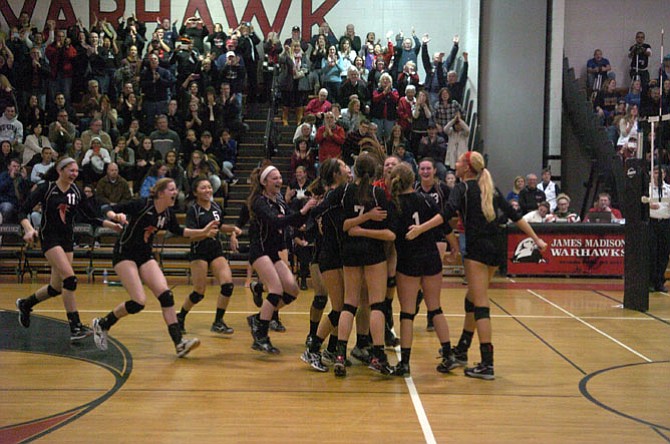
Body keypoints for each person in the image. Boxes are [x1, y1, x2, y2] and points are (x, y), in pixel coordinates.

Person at [407, 151, 547, 380]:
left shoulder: (462, 189)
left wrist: (421, 228)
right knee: (472, 298)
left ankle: (487, 363)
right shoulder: (489, 188)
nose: (456, 164)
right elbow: (515, 215)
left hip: (477, 250)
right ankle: (462, 349)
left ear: (467, 168)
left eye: (460, 162)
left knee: (480, 304)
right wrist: (537, 239)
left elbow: (444, 215)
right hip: (495, 248)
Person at [93, 178, 219, 357]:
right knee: (138, 302)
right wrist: (115, 216)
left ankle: (179, 344)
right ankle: (103, 323)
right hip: (125, 253)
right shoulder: (142, 204)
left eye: (175, 189)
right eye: (171, 189)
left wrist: (204, 232)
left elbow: (180, 231)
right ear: (161, 193)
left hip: (145, 255)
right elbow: (106, 207)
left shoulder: (168, 213)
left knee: (166, 296)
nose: (175, 193)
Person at [16, 157, 122, 341]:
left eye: (76, 171)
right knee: (70, 279)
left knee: (56, 287)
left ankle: (26, 304)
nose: (74, 174)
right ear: (60, 170)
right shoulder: (46, 188)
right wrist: (29, 228)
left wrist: (111, 225)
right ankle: (75, 327)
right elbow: (22, 211)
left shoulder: (76, 191)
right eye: (71, 170)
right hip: (49, 238)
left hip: (67, 240)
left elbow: (90, 216)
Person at [388, 162, 460, 376]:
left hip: (408, 260)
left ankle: (405, 363)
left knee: (407, 313)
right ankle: (448, 354)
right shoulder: (427, 200)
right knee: (435, 308)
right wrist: (454, 247)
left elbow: (390, 237)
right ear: (413, 179)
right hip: (430, 259)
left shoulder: (395, 205)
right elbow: (445, 226)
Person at [327, 153, 396, 376]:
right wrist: (367, 218)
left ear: (355, 170)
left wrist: (358, 224)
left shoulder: (344, 191)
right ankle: (378, 355)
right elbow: (389, 233)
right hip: (373, 251)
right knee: (377, 304)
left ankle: (340, 354)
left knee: (349, 304)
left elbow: (345, 226)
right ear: (374, 171)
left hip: (350, 252)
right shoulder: (378, 194)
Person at [246, 164, 317, 354]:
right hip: (259, 250)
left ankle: (259, 318)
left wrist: (309, 208)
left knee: (292, 289)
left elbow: (294, 221)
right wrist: (301, 213)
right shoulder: (259, 202)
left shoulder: (279, 201)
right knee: (276, 289)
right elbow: (276, 221)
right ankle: (261, 336)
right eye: (274, 178)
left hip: (273, 251)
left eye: (279, 177)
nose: (279, 181)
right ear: (264, 182)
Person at [176, 178, 242, 334]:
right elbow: (191, 236)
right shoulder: (193, 210)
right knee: (199, 292)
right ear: (195, 192)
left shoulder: (216, 207)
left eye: (209, 187)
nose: (207, 190)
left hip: (215, 250)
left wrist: (233, 230)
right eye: (203, 187)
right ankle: (181, 316)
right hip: (199, 252)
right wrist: (205, 233)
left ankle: (218, 322)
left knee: (227, 285)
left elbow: (220, 227)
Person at [648, 166, 670, 292]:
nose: (658, 175)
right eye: (655, 172)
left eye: (660, 173)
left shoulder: (669, 189)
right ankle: (650, 281)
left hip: (665, 223)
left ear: (665, 174)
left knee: (664, 253)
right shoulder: (648, 189)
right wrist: (648, 205)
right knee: (652, 252)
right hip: (652, 223)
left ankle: (660, 281)